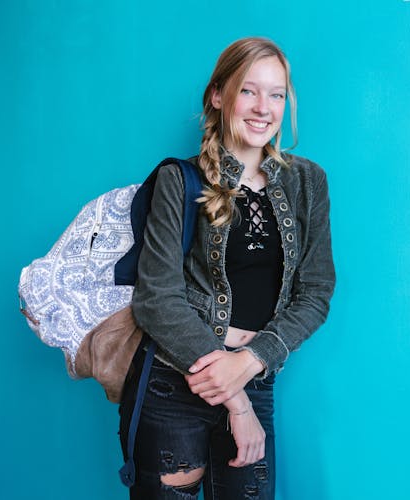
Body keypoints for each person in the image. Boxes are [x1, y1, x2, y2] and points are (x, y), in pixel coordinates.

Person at [119, 37, 335, 500]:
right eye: (249, 91)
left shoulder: (308, 183)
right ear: (219, 96)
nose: (263, 108)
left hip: (256, 380)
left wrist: (251, 363)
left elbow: (316, 292)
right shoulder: (180, 180)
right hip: (173, 387)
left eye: (276, 94)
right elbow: (156, 298)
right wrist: (235, 399)